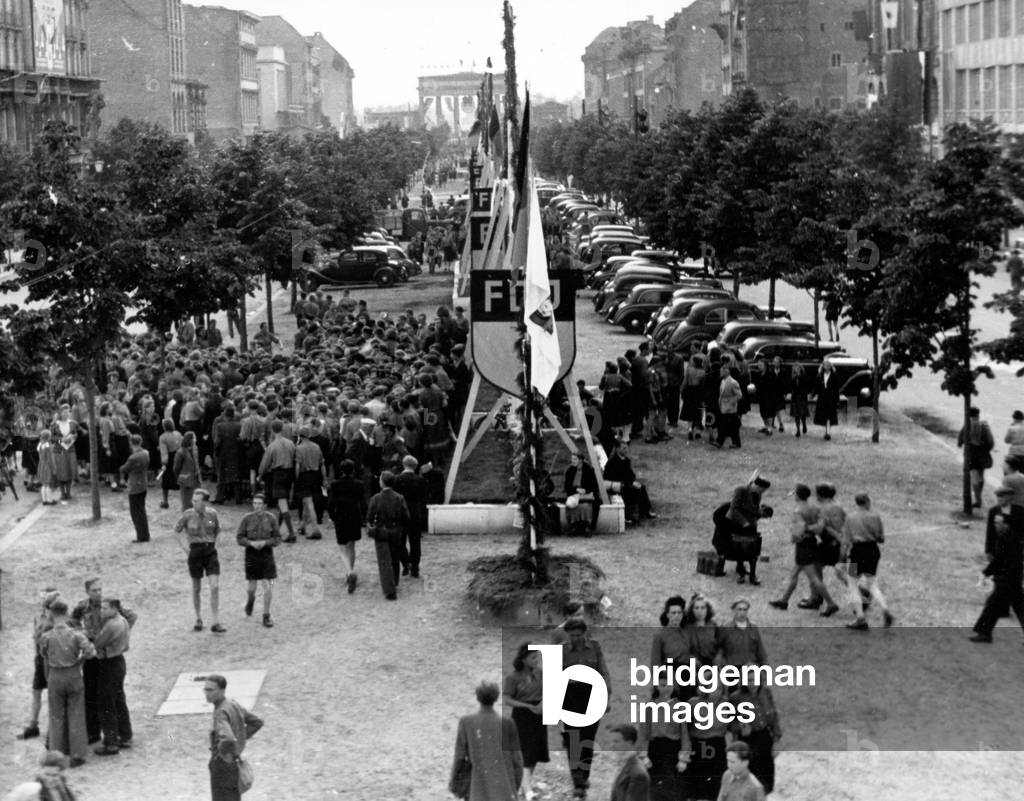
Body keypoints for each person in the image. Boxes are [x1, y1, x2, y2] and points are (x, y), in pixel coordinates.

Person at [38, 600, 95, 767]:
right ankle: (77, 754)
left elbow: (44, 655)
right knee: (76, 714)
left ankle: (57, 754)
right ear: (66, 613)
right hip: (73, 674)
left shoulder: (46, 637)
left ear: (52, 614)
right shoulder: (76, 635)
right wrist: (80, 661)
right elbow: (91, 652)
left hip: (55, 675)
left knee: (56, 716)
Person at [560, 619, 610, 799]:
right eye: (572, 635)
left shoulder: (595, 647)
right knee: (573, 740)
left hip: (592, 697)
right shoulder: (562, 651)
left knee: (587, 740)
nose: (575, 638)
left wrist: (606, 697)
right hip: (570, 699)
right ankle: (578, 782)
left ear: (585, 633)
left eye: (578, 635)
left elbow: (603, 671)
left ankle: (584, 775)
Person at [769, 484, 837, 613]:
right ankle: (784, 601)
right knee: (794, 573)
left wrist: (794, 538)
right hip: (812, 543)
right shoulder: (814, 508)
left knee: (813, 578)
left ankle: (831, 603)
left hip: (803, 546)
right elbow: (820, 526)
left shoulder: (798, 510)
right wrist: (812, 529)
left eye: (794, 494)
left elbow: (799, 529)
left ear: (798, 495)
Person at [449, 681, 523, 801]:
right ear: (496, 698)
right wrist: (514, 788)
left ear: (478, 698)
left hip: (477, 790)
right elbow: (517, 760)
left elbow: (459, 757)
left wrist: (454, 784)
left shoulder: (466, 722)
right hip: (504, 791)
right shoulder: (507, 723)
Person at [970, 485, 1024, 643]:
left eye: (998, 524)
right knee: (1018, 604)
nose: (995, 526)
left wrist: (986, 572)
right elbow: (998, 551)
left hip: (1009, 574)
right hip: (1010, 572)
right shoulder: (1003, 535)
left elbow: (1001, 558)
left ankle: (984, 632)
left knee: (994, 603)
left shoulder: (1009, 538)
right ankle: (984, 633)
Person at [203, 674, 264, 801]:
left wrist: (221, 753)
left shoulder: (220, 712)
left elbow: (228, 738)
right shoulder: (232, 704)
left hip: (222, 766)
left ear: (222, 690)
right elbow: (257, 722)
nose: (207, 694)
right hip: (234, 764)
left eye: (211, 690)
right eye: (205, 689)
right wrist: (240, 738)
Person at [841, 493, 894, 630]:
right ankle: (885, 609)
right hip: (872, 551)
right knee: (872, 583)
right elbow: (881, 538)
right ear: (867, 502)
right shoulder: (875, 516)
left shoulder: (850, 517)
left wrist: (843, 555)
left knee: (852, 584)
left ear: (857, 502)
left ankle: (860, 618)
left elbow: (846, 540)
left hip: (856, 553)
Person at [175, 488, 225, 633]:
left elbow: (218, 530)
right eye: (193, 500)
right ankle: (198, 618)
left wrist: (216, 546)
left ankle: (215, 622)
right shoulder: (187, 514)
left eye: (197, 501)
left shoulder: (212, 514)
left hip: (210, 551)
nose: (193, 503)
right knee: (196, 587)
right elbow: (176, 531)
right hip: (195, 552)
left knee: (214, 586)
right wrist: (186, 549)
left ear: (204, 502)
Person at [503, 644, 548, 801]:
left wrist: (542, 703)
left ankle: (525, 785)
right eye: (533, 657)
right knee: (525, 752)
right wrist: (528, 706)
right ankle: (527, 790)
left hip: (539, 715)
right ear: (523, 659)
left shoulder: (540, 673)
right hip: (522, 717)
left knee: (535, 751)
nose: (537, 660)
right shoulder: (513, 678)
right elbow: (507, 700)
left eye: (537, 656)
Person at [17, 588, 60, 742]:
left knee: (53, 695)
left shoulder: (58, 617)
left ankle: (52, 730)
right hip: (40, 659)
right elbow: (36, 635)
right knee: (36, 691)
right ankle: (33, 726)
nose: (44, 601)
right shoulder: (38, 616)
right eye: (42, 598)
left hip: (52, 659)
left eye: (47, 598)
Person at [91, 598, 133, 756]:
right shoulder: (122, 620)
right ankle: (125, 735)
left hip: (109, 663)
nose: (102, 611)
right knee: (118, 699)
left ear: (114, 608)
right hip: (118, 662)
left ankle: (111, 742)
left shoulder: (111, 625)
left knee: (106, 703)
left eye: (105, 608)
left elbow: (98, 643)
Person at [727, 678, 780, 795]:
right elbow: (728, 723)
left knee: (767, 777)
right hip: (748, 740)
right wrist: (740, 727)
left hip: (765, 736)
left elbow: (773, 715)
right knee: (752, 778)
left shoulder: (766, 692)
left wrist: (776, 738)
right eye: (749, 680)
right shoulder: (735, 697)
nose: (753, 683)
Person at [236, 493, 281, 628]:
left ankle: (266, 615)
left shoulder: (271, 519)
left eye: (259, 504)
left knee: (268, 586)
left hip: (267, 554)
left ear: (264, 505)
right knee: (251, 588)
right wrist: (250, 543)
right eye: (255, 503)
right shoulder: (246, 519)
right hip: (251, 555)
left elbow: (277, 538)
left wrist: (266, 542)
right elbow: (239, 537)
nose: (257, 506)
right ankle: (251, 600)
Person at [366, 470, 410, 600]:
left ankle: (389, 589)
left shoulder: (375, 498)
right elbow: (406, 516)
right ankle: (395, 581)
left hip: (381, 532)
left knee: (384, 560)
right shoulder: (399, 498)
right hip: (396, 531)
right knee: (394, 557)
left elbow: (369, 516)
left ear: (382, 482)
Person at [327, 459, 365, 593]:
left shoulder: (335, 485)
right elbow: (362, 502)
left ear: (341, 470)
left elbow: (330, 503)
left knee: (342, 547)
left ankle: (349, 572)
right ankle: (350, 571)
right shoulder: (359, 484)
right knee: (351, 545)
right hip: (354, 516)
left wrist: (332, 516)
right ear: (353, 470)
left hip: (340, 516)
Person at [726, 475, 772, 585]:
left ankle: (752, 575)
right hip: (737, 524)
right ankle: (741, 573)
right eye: (762, 490)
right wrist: (744, 522)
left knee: (753, 549)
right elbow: (734, 509)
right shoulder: (741, 490)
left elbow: (754, 510)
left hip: (751, 525)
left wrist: (760, 515)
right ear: (757, 486)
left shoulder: (757, 495)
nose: (762, 492)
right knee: (739, 549)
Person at [258, 420, 297, 543]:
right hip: (290, 473)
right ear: (282, 428)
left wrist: (260, 475)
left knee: (282, 503)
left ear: (272, 430)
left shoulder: (272, 446)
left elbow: (265, 464)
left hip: (278, 474)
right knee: (283, 501)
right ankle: (279, 529)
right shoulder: (291, 443)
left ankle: (291, 532)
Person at [603, 439, 656, 526]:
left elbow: (631, 475)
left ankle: (645, 511)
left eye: (626, 448)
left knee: (641, 487)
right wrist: (630, 483)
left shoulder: (626, 461)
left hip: (626, 483)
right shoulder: (612, 462)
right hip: (617, 486)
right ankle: (628, 515)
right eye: (623, 448)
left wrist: (633, 482)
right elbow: (614, 478)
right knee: (630, 491)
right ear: (617, 449)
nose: (625, 450)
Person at [392, 455, 426, 578]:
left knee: (400, 541)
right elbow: (423, 497)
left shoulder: (397, 479)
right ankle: (415, 567)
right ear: (415, 466)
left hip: (401, 512)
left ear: (404, 464)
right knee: (415, 541)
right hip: (415, 512)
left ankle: (406, 562)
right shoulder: (420, 480)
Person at [958, 406, 995, 509]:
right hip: (982, 452)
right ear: (978, 414)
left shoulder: (967, 424)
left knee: (974, 476)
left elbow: (961, 437)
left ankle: (978, 499)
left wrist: (960, 443)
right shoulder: (984, 424)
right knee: (981, 475)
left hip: (972, 452)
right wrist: (987, 449)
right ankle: (979, 496)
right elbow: (991, 442)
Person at [293, 426, 325, 540]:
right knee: (306, 502)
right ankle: (302, 526)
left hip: (304, 476)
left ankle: (316, 529)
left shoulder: (299, 448)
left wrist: (296, 479)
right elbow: (322, 464)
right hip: (316, 475)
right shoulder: (317, 446)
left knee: (308, 502)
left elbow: (297, 466)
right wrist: (324, 479)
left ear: (300, 436)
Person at [715, 599, 766, 668]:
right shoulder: (725, 628)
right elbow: (718, 649)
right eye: (739, 609)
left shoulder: (753, 628)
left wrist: (765, 667)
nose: (742, 613)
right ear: (734, 610)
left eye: (745, 610)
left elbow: (760, 650)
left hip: (750, 666)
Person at [120, 435, 151, 543]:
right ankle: (144, 534)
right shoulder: (146, 453)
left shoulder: (133, 458)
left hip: (135, 485)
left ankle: (142, 536)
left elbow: (124, 469)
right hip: (143, 483)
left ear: (131, 443)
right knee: (141, 510)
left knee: (136, 513)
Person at [608, 723, 650, 801]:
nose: (611, 746)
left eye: (616, 742)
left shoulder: (638, 774)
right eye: (611, 742)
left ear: (629, 743)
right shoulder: (624, 765)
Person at [564, 451, 602, 534]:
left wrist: (585, 490)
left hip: (587, 493)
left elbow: (594, 485)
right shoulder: (570, 471)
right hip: (574, 493)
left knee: (590, 504)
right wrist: (576, 490)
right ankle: (574, 524)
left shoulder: (589, 470)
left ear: (580, 460)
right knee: (570, 504)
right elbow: (567, 486)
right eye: (572, 459)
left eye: (575, 459)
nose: (572, 461)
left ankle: (589, 526)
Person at [714, 364, 743, 449]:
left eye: (722, 371)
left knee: (726, 425)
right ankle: (735, 442)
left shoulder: (733, 382)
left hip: (730, 408)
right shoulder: (723, 381)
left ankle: (720, 442)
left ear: (727, 371)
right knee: (730, 426)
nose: (720, 372)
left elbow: (739, 395)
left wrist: (731, 402)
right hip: (723, 407)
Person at [812, 360, 841, 441]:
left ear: (830, 366)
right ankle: (826, 431)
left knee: (829, 416)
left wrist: (837, 400)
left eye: (828, 365)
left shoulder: (834, 376)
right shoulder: (820, 375)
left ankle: (828, 432)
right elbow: (817, 386)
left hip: (831, 398)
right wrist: (813, 394)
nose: (827, 367)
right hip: (822, 398)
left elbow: (836, 389)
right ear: (823, 367)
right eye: (825, 365)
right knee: (824, 416)